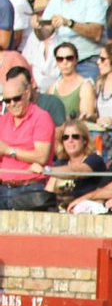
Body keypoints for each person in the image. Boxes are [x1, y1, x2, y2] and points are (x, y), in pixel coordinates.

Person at [0, 70, 54, 208]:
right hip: (3, 187)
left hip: (29, 189)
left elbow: (41, 156)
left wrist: (9, 150)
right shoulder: (3, 120)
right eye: (7, 100)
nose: (12, 104)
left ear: (27, 94)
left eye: (17, 98)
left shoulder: (41, 117)